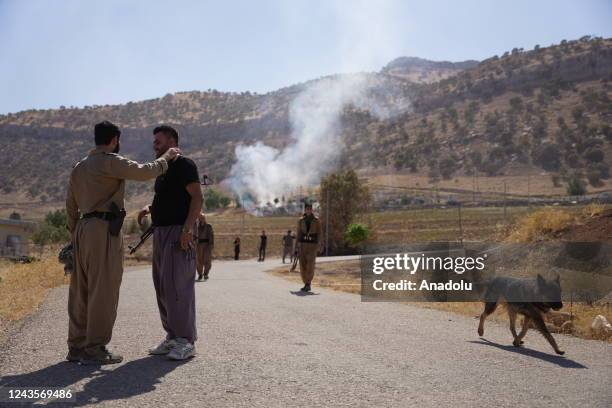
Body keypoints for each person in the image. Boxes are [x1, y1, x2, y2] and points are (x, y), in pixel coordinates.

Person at [65, 121, 179, 365]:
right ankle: (95, 348)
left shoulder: (79, 167)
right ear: (115, 139)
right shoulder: (110, 161)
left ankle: (76, 346)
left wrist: (75, 237)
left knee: (80, 291)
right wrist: (167, 157)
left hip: (82, 230)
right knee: (103, 291)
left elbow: (70, 207)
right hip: (104, 231)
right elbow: (144, 171)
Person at [137, 125, 203, 361]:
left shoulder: (185, 165)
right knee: (163, 286)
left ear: (172, 141)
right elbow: (170, 198)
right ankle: (172, 336)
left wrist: (187, 229)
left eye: (158, 141)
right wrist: (150, 208)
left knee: (179, 287)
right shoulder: (163, 169)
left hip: (179, 233)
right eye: (154, 141)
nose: (154, 145)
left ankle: (186, 341)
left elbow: (197, 198)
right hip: (162, 233)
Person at [296, 203, 322, 292]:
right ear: (305, 210)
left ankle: (308, 283)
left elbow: (319, 233)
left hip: (312, 245)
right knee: (303, 264)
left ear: (312, 210)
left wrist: (319, 244)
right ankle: (305, 282)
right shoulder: (301, 220)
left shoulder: (316, 220)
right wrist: (297, 245)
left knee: (310, 264)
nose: (308, 210)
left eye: (310, 209)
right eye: (307, 209)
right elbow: (298, 233)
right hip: (303, 245)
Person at [196, 212, 214, 281]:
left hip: (207, 245)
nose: (201, 219)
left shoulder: (208, 226)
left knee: (207, 260)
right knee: (198, 261)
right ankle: (200, 274)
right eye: (200, 218)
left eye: (202, 218)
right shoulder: (196, 227)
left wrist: (211, 245)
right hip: (198, 246)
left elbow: (211, 236)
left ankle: (206, 274)